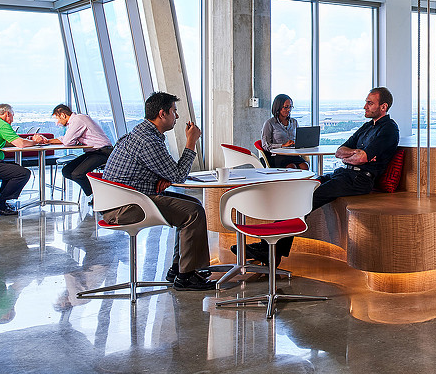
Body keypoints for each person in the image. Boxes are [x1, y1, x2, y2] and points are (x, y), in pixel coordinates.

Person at [242, 87, 399, 267]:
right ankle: (270, 248)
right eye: (366, 102)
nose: (365, 106)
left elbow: (362, 158)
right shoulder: (367, 126)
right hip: (345, 173)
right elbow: (340, 151)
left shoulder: (389, 130)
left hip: (360, 180)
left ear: (383, 107)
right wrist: (355, 154)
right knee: (302, 191)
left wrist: (359, 155)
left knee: (309, 197)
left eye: (370, 103)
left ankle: (270, 249)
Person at [101, 91, 215, 291]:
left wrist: (163, 177)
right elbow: (179, 175)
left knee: (194, 204)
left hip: (123, 200)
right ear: (162, 114)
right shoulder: (148, 141)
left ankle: (179, 268)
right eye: (174, 111)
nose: (176, 117)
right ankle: (186, 276)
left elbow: (167, 172)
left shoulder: (139, 134)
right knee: (193, 212)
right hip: (126, 207)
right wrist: (191, 142)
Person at [0, 104, 47, 216]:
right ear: (7, 114)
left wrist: (27, 140)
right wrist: (36, 142)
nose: (13, 119)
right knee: (23, 173)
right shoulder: (2, 124)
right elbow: (20, 144)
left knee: (13, 169)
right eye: (13, 115)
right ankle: (0, 205)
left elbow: (8, 142)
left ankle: (2, 204)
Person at [44, 104, 112, 201]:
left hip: (103, 152)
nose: (57, 123)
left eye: (57, 118)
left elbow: (67, 141)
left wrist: (71, 140)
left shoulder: (78, 120)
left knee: (77, 174)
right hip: (93, 152)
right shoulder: (74, 122)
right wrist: (48, 141)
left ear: (63, 115)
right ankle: (97, 193)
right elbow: (67, 139)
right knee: (67, 171)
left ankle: (98, 196)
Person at [260, 94, 308, 169]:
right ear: (278, 107)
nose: (289, 110)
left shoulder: (294, 122)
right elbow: (265, 145)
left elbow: (298, 139)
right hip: (278, 155)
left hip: (292, 154)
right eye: (286, 107)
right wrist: (282, 145)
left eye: (290, 107)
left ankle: (302, 181)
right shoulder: (269, 123)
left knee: (305, 166)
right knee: (292, 167)